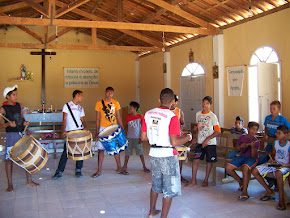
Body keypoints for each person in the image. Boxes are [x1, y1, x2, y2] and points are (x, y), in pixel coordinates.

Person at [141, 88, 192, 218]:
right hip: (168, 155)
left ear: (159, 100)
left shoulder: (148, 114)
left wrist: (155, 140)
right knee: (169, 189)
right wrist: (188, 138)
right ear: (173, 102)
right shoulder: (172, 116)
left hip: (154, 153)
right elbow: (174, 142)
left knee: (155, 184)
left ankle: (152, 212)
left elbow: (143, 137)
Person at [0, 85, 39, 192]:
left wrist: (25, 122)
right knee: (9, 160)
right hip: (11, 136)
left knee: (27, 157)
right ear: (7, 97)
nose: (16, 97)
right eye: (13, 95)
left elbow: (21, 118)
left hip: (22, 134)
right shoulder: (3, 109)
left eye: (16, 94)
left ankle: (29, 180)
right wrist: (7, 124)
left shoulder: (19, 105)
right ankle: (10, 185)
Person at [185, 96, 221, 188]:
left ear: (210, 105)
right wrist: (196, 137)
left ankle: (205, 180)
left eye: (207, 103)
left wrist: (207, 139)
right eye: (204, 103)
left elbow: (217, 131)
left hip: (210, 143)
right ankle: (193, 181)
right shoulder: (198, 114)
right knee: (195, 160)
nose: (205, 105)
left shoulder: (212, 116)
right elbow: (198, 128)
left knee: (209, 162)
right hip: (200, 142)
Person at [252, 125, 290, 210]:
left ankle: (281, 200)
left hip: (285, 166)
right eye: (277, 133)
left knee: (278, 173)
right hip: (275, 164)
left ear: (285, 135)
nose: (277, 135)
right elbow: (273, 154)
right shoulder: (275, 143)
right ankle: (269, 191)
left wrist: (283, 165)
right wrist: (272, 160)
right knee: (255, 171)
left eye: (279, 133)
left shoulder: (289, 145)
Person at [52, 90, 86, 179]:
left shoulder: (80, 108)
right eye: (81, 95)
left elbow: (82, 120)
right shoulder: (67, 106)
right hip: (70, 131)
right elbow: (64, 119)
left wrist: (84, 130)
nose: (82, 97)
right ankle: (59, 171)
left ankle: (78, 169)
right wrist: (63, 130)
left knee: (80, 151)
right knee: (66, 152)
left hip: (79, 131)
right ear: (77, 95)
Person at [92, 87, 125, 177]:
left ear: (113, 94)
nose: (109, 94)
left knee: (116, 149)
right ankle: (99, 170)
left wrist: (122, 127)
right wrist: (97, 130)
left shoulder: (116, 103)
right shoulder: (99, 103)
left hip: (113, 128)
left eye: (111, 93)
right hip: (103, 128)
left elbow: (118, 116)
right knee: (101, 149)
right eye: (108, 93)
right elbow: (98, 118)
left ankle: (119, 168)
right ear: (105, 92)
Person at [258, 100, 290, 188]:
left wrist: (282, 137)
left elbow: (288, 128)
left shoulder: (282, 119)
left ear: (279, 109)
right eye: (270, 108)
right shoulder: (267, 118)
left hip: (279, 143)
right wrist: (266, 134)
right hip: (270, 143)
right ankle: (271, 180)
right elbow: (266, 127)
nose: (271, 110)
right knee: (261, 159)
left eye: (274, 108)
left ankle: (277, 182)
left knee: (278, 162)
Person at [225, 121, 260, 201]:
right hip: (242, 157)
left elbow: (253, 156)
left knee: (245, 168)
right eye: (252, 129)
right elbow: (237, 148)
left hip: (251, 159)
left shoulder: (256, 140)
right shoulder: (243, 137)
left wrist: (253, 148)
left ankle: (245, 192)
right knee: (228, 167)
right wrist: (242, 146)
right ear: (248, 129)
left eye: (256, 130)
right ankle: (240, 181)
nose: (254, 131)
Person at [122, 101, 150, 174]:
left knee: (140, 153)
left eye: (131, 108)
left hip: (137, 138)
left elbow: (143, 128)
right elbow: (126, 125)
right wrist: (124, 134)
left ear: (135, 108)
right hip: (129, 137)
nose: (130, 109)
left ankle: (144, 166)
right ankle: (125, 166)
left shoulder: (140, 116)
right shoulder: (128, 116)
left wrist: (142, 137)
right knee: (127, 153)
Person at [222, 116, 248, 183]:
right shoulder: (233, 129)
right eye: (236, 123)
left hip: (243, 149)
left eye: (239, 123)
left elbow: (245, 137)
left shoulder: (244, 131)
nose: (237, 125)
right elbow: (232, 134)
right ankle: (229, 175)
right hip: (236, 148)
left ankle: (244, 176)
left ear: (242, 125)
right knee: (230, 155)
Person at [170, 94, 188, 184]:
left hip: (177, 135)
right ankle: (170, 175)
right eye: (171, 101)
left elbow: (182, 123)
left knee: (179, 155)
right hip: (168, 136)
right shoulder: (166, 111)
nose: (173, 103)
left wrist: (181, 125)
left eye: (174, 101)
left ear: (176, 102)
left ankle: (179, 174)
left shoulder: (179, 111)